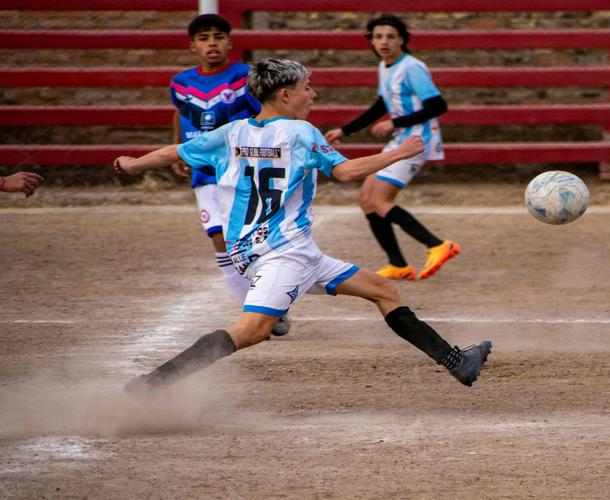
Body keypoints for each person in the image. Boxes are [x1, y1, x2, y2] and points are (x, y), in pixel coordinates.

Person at [114, 59, 491, 392]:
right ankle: (150, 386)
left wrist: (134, 164)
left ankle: (457, 362)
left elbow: (175, 152)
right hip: (282, 254)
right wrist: (400, 152)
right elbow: (345, 172)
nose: (313, 94)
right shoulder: (300, 133)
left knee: (383, 290)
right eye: (306, 87)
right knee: (251, 331)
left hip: (277, 250)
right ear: (285, 94)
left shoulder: (233, 132)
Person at [170, 14, 289, 336]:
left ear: (229, 42)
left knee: (252, 239)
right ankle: (256, 313)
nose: (212, 43)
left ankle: (271, 299)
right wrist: (178, 149)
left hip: (243, 170)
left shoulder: (245, 78)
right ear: (193, 45)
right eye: (204, 38)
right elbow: (180, 113)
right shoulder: (180, 83)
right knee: (218, 238)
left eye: (218, 37)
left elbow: (266, 113)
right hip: (205, 171)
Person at [325, 14, 458, 281]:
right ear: (372, 41)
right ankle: (398, 265)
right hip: (401, 139)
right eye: (378, 37)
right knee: (366, 199)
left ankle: (437, 245)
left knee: (379, 200)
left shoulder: (412, 67)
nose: (383, 42)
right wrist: (345, 130)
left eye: (390, 37)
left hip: (417, 141)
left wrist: (394, 122)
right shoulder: (385, 67)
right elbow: (381, 105)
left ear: (402, 40)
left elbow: (438, 106)